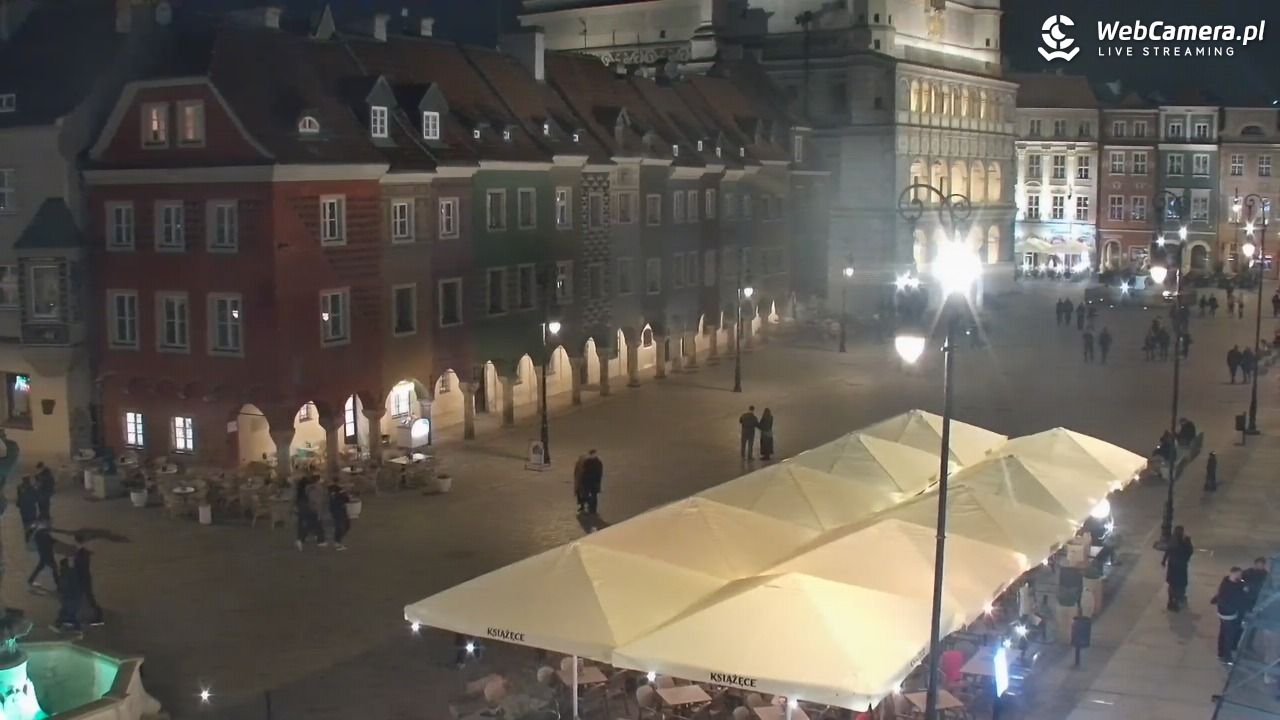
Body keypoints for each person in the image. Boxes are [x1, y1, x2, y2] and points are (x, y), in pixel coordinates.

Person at [1213, 567, 1247, 663]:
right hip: (1229, 614)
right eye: (1239, 574)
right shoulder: (1231, 587)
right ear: (1234, 574)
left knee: (1223, 633)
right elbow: (1236, 600)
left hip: (1224, 613)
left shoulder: (1227, 582)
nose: (1241, 576)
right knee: (1228, 636)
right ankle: (1226, 657)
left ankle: (1221, 653)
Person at [73, 532, 104, 626]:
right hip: (84, 578)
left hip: (83, 578)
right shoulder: (82, 552)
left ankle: (98, 616)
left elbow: (80, 567)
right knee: (88, 597)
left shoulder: (81, 553)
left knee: (88, 597)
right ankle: (97, 616)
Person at [1162, 526, 1193, 611]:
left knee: (1172, 584)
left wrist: (1164, 561)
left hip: (1172, 566)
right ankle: (1179, 598)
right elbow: (1190, 551)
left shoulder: (1172, 541)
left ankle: (1171, 600)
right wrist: (1189, 541)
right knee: (1181, 584)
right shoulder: (1185, 541)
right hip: (1181, 566)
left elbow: (1167, 551)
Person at [294, 477, 326, 551]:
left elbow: (295, 499)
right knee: (316, 523)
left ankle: (301, 539)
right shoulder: (311, 489)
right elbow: (314, 501)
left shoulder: (299, 490)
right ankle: (320, 540)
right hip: (310, 509)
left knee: (302, 524)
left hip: (301, 508)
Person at [27, 521, 58, 590]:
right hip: (48, 554)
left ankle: (30, 580)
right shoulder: (43, 535)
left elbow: (50, 540)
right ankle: (58, 584)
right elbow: (51, 541)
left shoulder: (38, 535)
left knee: (40, 567)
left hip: (44, 554)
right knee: (54, 567)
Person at [53, 558, 81, 634]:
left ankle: (76, 628)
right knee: (70, 612)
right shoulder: (71, 572)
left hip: (69, 596)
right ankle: (76, 628)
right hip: (72, 596)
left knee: (68, 611)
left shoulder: (65, 573)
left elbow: (63, 584)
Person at [327, 481, 351, 551]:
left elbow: (346, 499)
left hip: (340, 512)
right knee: (341, 527)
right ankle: (337, 542)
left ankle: (337, 541)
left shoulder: (335, 494)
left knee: (346, 526)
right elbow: (346, 499)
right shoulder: (335, 495)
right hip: (338, 512)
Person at [580, 450, 603, 515]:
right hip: (594, 481)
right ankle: (593, 509)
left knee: (587, 495)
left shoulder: (588, 462)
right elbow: (600, 473)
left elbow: (583, 471)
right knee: (593, 495)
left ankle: (591, 507)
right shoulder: (598, 462)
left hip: (588, 481)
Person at [16, 476, 38, 544]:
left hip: (24, 509)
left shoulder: (19, 487)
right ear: (29, 480)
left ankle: (27, 537)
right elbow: (36, 498)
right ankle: (32, 537)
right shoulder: (32, 488)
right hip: (31, 509)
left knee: (25, 523)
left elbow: (18, 499)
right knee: (32, 523)